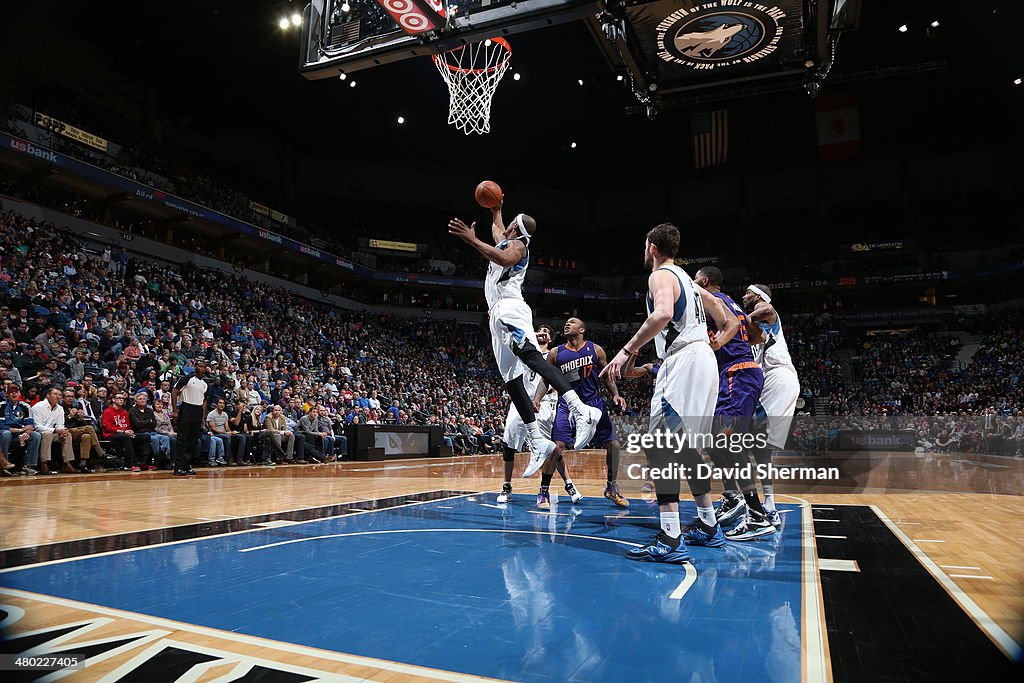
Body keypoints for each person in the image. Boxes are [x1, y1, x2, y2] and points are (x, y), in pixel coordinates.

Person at [602, 223, 736, 563]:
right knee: (686, 449)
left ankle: (670, 537)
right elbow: (725, 318)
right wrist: (713, 343)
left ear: (651, 247)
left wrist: (625, 351)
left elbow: (662, 313)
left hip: (683, 361)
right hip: (703, 359)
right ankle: (708, 524)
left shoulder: (660, 276)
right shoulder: (690, 281)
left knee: (659, 448)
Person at [448, 204, 601, 477]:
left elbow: (504, 257)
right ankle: (537, 440)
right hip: (497, 314)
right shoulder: (509, 239)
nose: (503, 229)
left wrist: (471, 240)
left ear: (516, 229)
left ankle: (581, 410)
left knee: (531, 356)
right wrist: (496, 209)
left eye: (508, 225)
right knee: (511, 380)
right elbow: (498, 231)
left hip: (510, 308)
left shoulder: (518, 247)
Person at [694, 266, 773, 540]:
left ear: (704, 281)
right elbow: (758, 336)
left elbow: (732, 326)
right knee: (713, 441)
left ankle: (757, 515)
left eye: (695, 281)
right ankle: (735, 497)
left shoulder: (711, 300)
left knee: (726, 440)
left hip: (736, 374)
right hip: (738, 374)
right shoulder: (732, 301)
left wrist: (719, 344)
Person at [537, 318, 628, 508]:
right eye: (566, 323)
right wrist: (537, 399)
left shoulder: (596, 350)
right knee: (556, 447)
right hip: (567, 405)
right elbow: (546, 379)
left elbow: (606, 376)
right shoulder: (555, 353)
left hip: (592, 402)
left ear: (582, 329)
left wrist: (616, 395)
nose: (567, 324)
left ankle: (611, 487)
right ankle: (543, 491)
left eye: (572, 322)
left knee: (614, 445)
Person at [497, 325, 581, 507]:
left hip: (544, 403)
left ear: (550, 338)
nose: (541, 332)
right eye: (539, 329)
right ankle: (507, 486)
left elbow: (564, 378)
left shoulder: (553, 355)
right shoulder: (522, 348)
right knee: (508, 444)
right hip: (520, 401)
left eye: (546, 331)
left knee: (552, 448)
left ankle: (567, 484)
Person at [743, 283, 801, 527]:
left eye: (747, 293)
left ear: (757, 295)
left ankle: (742, 502)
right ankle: (768, 503)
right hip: (770, 381)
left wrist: (742, 318)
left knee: (743, 438)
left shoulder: (765, 310)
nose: (744, 296)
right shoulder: (757, 331)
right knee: (758, 446)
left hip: (778, 378)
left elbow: (767, 308)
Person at [169, 359, 209, 476]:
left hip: (197, 411)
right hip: (186, 408)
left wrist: (202, 418)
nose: (202, 368)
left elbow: (204, 401)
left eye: (204, 367)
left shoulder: (205, 384)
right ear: (195, 367)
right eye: (200, 366)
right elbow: (175, 391)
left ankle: (187, 465)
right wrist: (175, 410)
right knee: (182, 439)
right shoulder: (188, 378)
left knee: (193, 440)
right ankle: (178, 467)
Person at [30, 387, 77, 474]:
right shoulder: (38, 407)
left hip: (53, 432)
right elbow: (37, 426)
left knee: (67, 435)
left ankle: (67, 464)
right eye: (55, 394)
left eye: (60, 395)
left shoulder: (60, 408)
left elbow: (60, 424)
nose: (58, 397)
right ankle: (44, 464)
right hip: (38, 433)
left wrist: (62, 431)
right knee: (47, 434)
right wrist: (55, 430)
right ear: (48, 395)